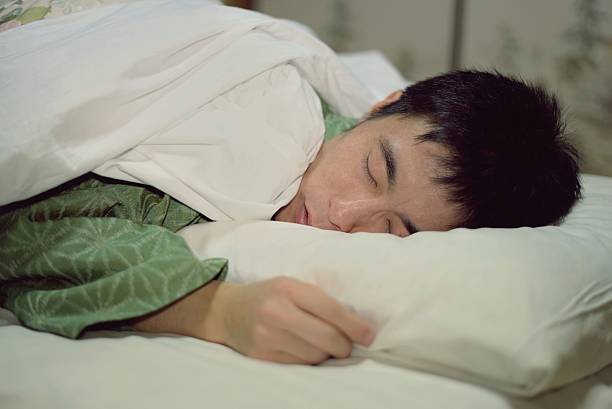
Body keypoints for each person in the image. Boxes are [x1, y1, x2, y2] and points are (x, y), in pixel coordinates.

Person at [0, 67, 581, 366]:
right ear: (380, 106)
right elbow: (27, 236)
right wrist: (212, 310)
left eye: (391, 229)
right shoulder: (253, 116)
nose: (342, 215)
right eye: (373, 170)